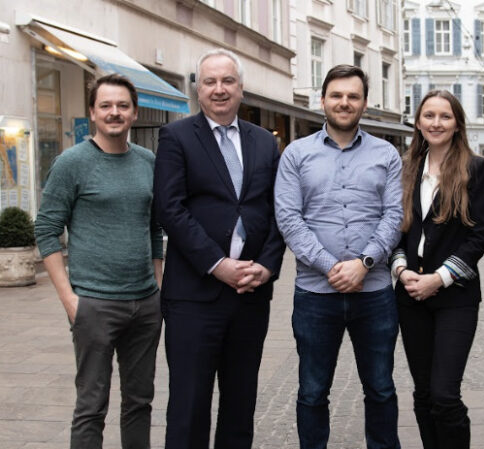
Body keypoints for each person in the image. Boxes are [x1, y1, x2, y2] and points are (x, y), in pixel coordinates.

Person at [153, 48, 285, 449]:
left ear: (242, 89)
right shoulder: (176, 137)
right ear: (197, 89)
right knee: (189, 406)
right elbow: (169, 209)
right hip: (194, 296)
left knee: (240, 403)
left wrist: (266, 266)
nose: (219, 89)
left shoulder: (265, 142)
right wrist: (217, 263)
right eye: (209, 81)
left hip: (250, 295)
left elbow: (280, 210)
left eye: (228, 81)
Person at [275, 64, 403, 449]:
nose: (344, 102)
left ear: (365, 103)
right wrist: (332, 267)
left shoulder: (387, 154)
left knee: (380, 388)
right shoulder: (296, 154)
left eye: (353, 96)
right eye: (337, 95)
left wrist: (363, 264)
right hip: (315, 294)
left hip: (375, 293)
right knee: (312, 391)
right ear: (323, 100)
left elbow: (394, 216)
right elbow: (289, 218)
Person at [34, 74, 163, 449]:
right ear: (92, 112)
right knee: (91, 406)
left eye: (122, 105)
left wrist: (157, 287)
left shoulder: (148, 162)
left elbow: (154, 228)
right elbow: (46, 231)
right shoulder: (72, 162)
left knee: (140, 403)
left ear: (134, 111)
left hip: (144, 305)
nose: (114, 112)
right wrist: (70, 300)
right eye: (105, 105)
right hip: (94, 303)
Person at [390, 90, 484, 448]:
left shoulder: (476, 168)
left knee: (445, 394)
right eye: (429, 116)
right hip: (410, 294)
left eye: (444, 116)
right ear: (417, 122)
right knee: (422, 394)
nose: (436, 123)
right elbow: (395, 231)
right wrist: (403, 273)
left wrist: (439, 278)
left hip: (455, 297)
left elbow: (479, 236)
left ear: (457, 123)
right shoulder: (405, 169)